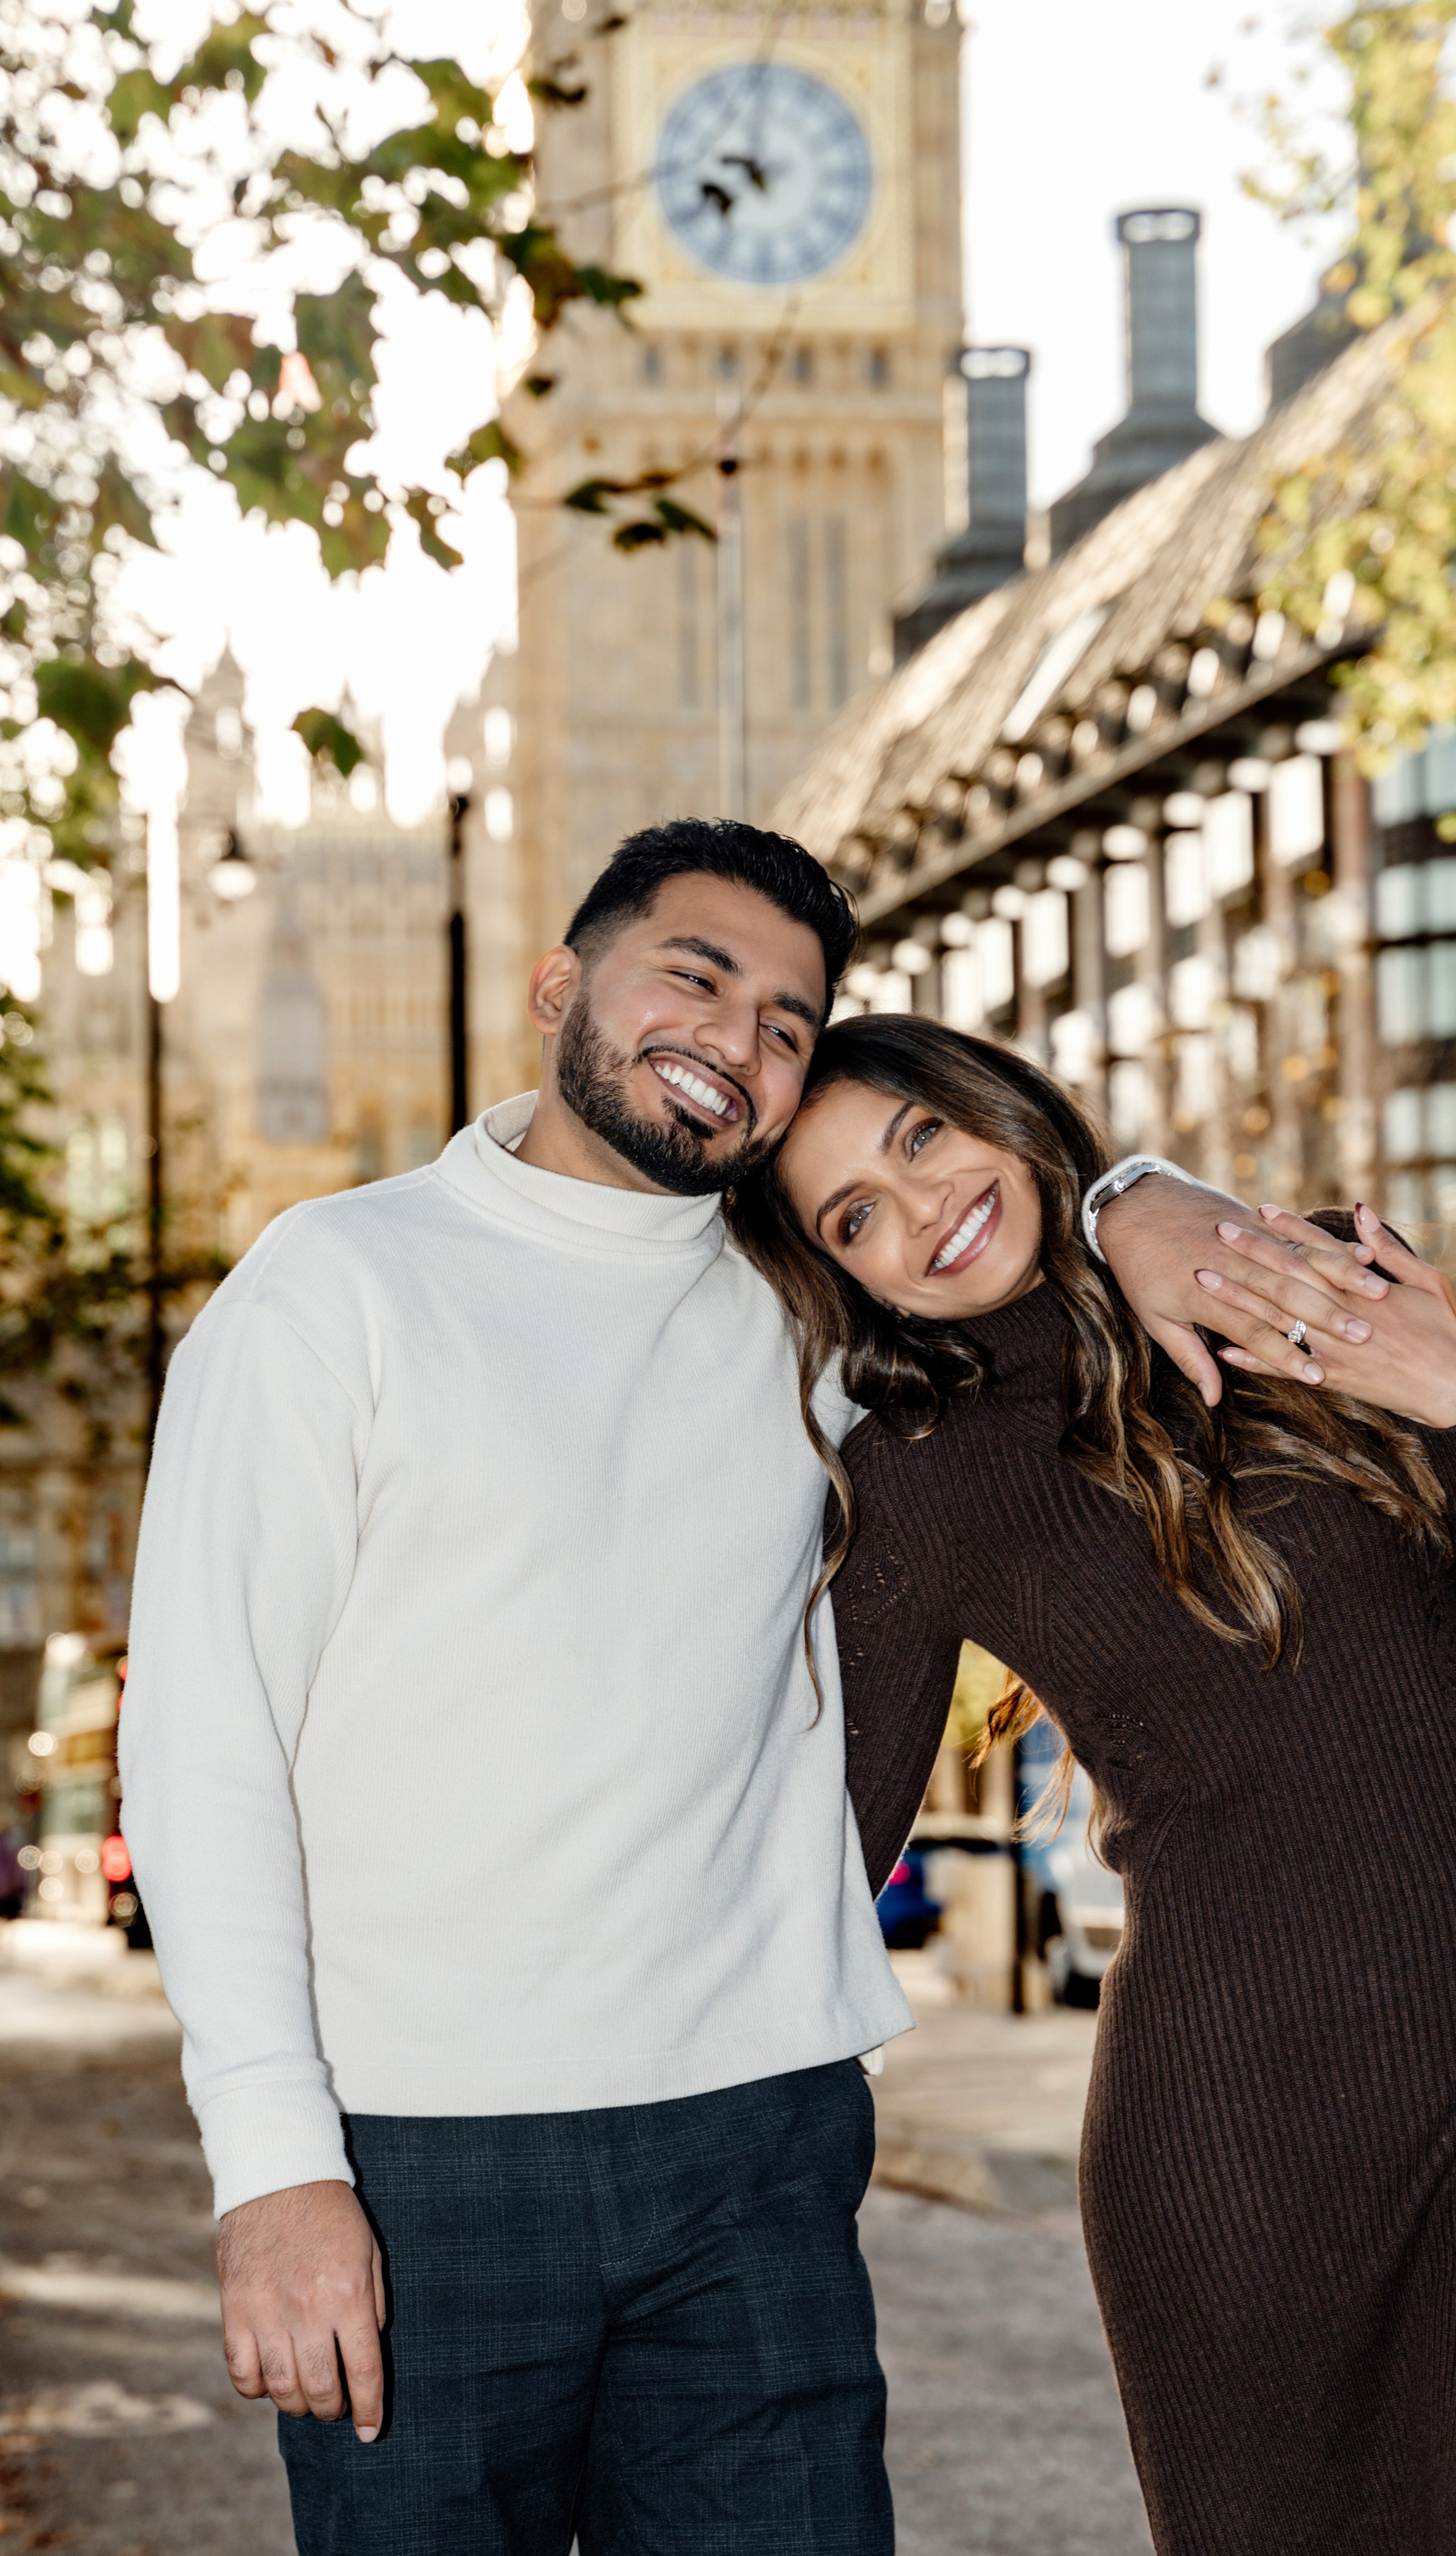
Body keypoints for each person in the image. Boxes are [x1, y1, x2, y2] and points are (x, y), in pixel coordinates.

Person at [118, 821, 1331, 2556]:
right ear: (559, 987)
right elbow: (206, 1745)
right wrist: (274, 2167)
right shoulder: (336, 1289)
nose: (736, 1038)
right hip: (422, 2156)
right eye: (693, 976)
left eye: (784, 1022)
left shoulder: (816, 1310)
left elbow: (1005, 1255)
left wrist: (1127, 1196)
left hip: (759, 2150)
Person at [731, 1011, 1456, 2556]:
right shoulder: (914, 1483)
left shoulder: (1294, 1279)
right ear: (841, 1277)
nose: (920, 1207)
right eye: (855, 1217)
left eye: (922, 1137)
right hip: (1235, 2136)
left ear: (998, 1106)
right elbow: (811, 1859)